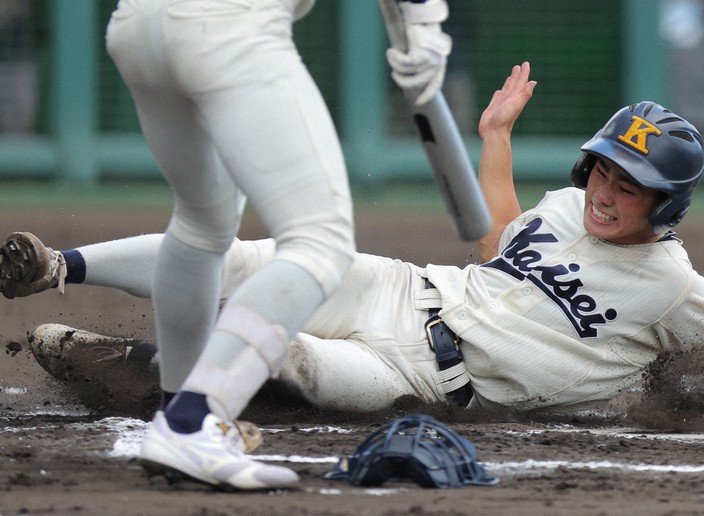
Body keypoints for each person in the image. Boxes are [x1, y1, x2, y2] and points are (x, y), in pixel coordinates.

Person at [3, 61, 704, 472]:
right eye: (605, 174)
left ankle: (145, 367)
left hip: (424, 383)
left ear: (666, 205)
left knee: (298, 361)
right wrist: (495, 137)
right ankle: (53, 264)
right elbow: (496, 244)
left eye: (631, 187)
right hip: (399, 289)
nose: (607, 195)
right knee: (257, 262)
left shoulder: (675, 287)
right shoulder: (564, 205)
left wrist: (689, 397)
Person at [20, 0, 451, 491]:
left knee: (203, 225)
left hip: (138, 25)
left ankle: (179, 412)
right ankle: (192, 422)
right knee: (321, 244)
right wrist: (424, 26)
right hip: (230, 24)